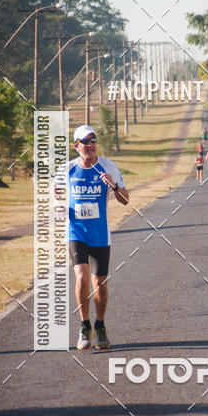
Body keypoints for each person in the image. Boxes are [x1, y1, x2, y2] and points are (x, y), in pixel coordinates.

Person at [64, 124, 129, 350]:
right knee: (81, 277)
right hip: (76, 232)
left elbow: (126, 200)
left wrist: (113, 186)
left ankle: (100, 325)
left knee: (99, 282)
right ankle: (84, 325)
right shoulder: (67, 170)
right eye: (85, 141)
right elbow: (55, 202)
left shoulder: (108, 166)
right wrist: (57, 203)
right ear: (76, 146)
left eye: (93, 140)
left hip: (100, 234)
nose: (90, 145)